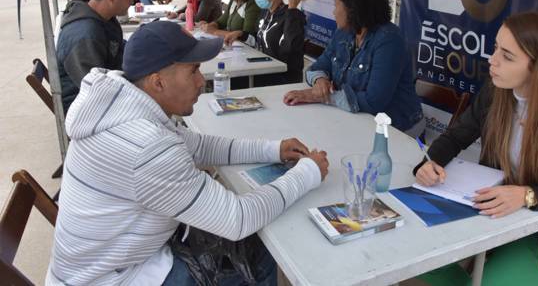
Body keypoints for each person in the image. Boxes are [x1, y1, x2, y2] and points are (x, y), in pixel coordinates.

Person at [45, 21, 329, 285]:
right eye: (193, 70)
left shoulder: (124, 108)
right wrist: (309, 172)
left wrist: (273, 149)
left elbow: (200, 146)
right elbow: (238, 219)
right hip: (113, 278)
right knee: (259, 255)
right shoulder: (147, 147)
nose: (200, 81)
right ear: (158, 82)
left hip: (104, 265)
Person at [413, 12, 538, 286]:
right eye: (495, 48)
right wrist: (429, 162)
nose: (492, 60)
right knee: (417, 258)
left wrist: (528, 196)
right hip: (495, 218)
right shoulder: (495, 95)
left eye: (507, 55)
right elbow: (456, 137)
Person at [283, 0, 424, 134]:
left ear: (353, 8)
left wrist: (318, 96)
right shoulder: (344, 33)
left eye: (336, 5)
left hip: (396, 130)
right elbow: (315, 68)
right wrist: (320, 80)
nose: (333, 12)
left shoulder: (389, 41)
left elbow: (373, 101)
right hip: (356, 121)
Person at [55, 0, 133, 113]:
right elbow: (94, 87)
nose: (132, 2)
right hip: (85, 109)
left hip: (106, 89)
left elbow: (118, 49)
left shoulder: (104, 17)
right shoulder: (84, 35)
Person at [226, 0, 306, 86]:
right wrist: (241, 34)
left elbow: (290, 47)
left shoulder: (292, 16)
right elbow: (258, 40)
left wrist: (292, 9)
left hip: (282, 77)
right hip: (263, 69)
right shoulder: (265, 12)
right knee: (230, 77)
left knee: (233, 82)